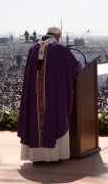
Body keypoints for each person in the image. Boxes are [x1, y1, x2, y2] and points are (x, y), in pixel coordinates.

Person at [17, 26, 82, 162]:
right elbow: (75, 67)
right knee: (54, 119)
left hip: (35, 97)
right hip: (54, 96)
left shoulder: (33, 48)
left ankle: (36, 157)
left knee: (36, 120)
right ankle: (54, 156)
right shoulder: (61, 48)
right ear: (58, 36)